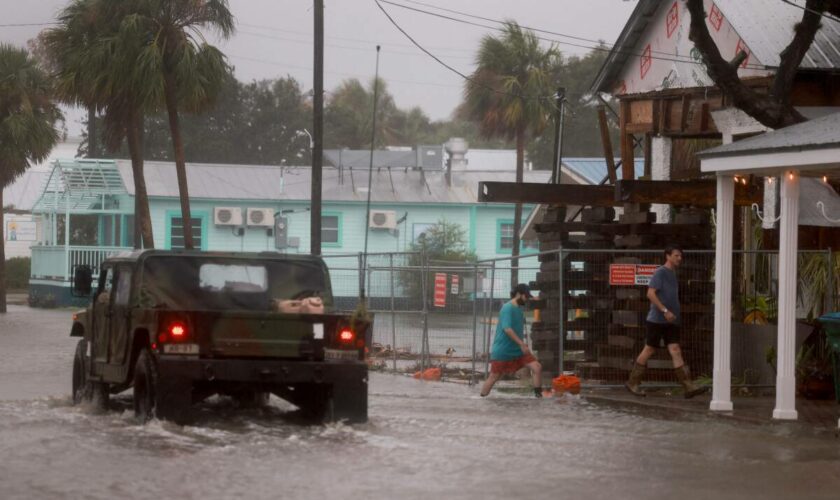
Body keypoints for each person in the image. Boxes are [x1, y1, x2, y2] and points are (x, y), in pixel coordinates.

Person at [625, 245, 707, 399]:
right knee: (649, 349)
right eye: (676, 255)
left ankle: (688, 386)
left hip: (671, 321)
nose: (679, 258)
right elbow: (650, 293)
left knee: (675, 349)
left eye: (680, 256)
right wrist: (664, 311)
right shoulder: (660, 272)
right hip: (657, 320)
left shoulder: (673, 274)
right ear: (668, 256)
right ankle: (633, 382)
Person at [481, 283, 543, 398]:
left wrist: (537, 298)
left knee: (537, 367)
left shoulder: (519, 309)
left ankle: (538, 397)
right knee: (494, 376)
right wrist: (522, 344)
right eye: (525, 296)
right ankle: (481, 399)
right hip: (503, 350)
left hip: (517, 350)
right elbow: (507, 329)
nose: (526, 299)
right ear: (519, 294)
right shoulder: (507, 308)